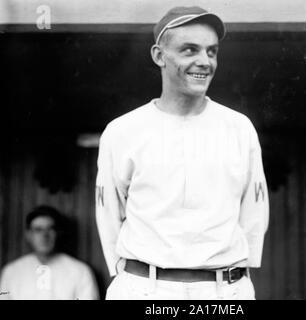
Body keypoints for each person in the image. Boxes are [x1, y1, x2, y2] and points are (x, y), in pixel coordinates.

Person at [96, 6, 269, 300]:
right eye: (190, 50)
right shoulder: (122, 130)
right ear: (159, 56)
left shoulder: (239, 128)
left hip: (223, 291)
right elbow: (109, 214)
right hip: (144, 289)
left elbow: (254, 214)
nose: (204, 62)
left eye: (211, 52)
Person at [0, 205, 99, 300]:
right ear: (29, 234)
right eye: (38, 230)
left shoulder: (80, 271)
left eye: (50, 229)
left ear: (58, 233)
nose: (44, 235)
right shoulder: (11, 272)